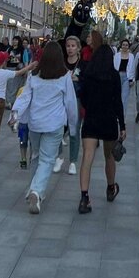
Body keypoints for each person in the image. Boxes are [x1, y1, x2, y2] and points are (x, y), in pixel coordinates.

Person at [11, 42, 78, 215]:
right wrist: (73, 125)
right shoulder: (64, 76)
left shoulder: (34, 74)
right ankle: (36, 190)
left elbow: (25, 97)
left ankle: (36, 191)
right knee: (48, 159)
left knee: (36, 157)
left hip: (35, 123)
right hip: (54, 124)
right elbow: (70, 103)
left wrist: (15, 113)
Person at [77, 31, 125, 213]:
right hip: (109, 120)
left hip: (91, 119)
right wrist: (123, 125)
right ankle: (111, 187)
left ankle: (84, 197)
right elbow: (118, 101)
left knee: (87, 157)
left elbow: (83, 97)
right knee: (109, 156)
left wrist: (90, 108)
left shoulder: (88, 74)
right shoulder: (113, 76)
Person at [54, 35, 83, 175]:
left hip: (76, 99)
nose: (70, 48)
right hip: (61, 98)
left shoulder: (83, 64)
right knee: (58, 127)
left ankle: (73, 161)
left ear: (78, 48)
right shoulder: (61, 63)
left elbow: (87, 82)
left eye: (73, 46)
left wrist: (78, 79)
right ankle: (59, 157)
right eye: (68, 46)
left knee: (74, 129)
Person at [113, 38, 137, 119]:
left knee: (124, 98)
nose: (125, 46)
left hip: (127, 77)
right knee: (116, 97)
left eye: (126, 45)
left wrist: (132, 79)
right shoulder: (117, 55)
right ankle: (116, 115)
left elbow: (132, 68)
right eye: (123, 45)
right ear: (121, 45)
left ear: (128, 46)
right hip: (117, 76)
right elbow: (113, 66)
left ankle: (122, 117)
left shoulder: (131, 56)